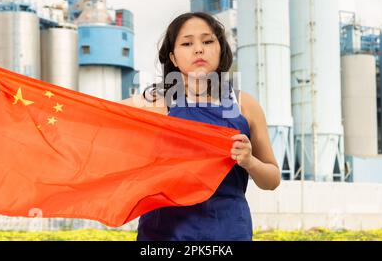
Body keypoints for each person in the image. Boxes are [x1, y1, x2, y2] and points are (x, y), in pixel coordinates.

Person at [120, 12, 280, 241]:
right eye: (187, 43)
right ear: (173, 58)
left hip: (228, 234)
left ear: (220, 49)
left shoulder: (243, 105)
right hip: (166, 235)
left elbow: (272, 180)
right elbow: (94, 116)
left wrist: (250, 161)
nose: (198, 49)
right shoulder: (154, 103)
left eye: (207, 41)